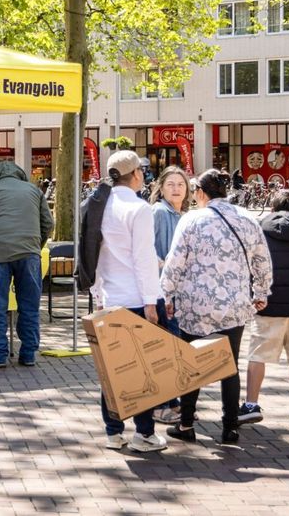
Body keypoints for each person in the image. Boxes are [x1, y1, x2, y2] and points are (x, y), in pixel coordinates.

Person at [161, 169, 272, 445]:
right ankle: (230, 427)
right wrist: (261, 292)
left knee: (191, 365)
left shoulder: (191, 220)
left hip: (195, 305)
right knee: (230, 365)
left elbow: (175, 262)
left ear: (200, 192)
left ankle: (186, 425)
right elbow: (262, 260)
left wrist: (166, 296)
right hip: (233, 305)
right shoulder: (247, 219)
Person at [90, 151, 167, 453]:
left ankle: (113, 432)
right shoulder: (138, 208)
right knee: (143, 369)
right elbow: (144, 258)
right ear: (135, 174)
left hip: (109, 297)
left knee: (113, 369)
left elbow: (93, 256)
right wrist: (151, 301)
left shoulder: (98, 207)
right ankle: (144, 433)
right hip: (137, 297)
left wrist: (97, 294)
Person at [238, 190, 289, 429]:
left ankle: (251, 404)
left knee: (257, 354)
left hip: (268, 302)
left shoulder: (260, 231)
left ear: (273, 208)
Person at [0, 161, 53, 368]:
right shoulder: (34, 191)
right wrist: (36, 244)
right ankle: (28, 353)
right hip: (30, 255)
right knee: (30, 306)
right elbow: (48, 224)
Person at [149, 166, 191, 425]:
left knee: (176, 349)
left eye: (181, 184)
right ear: (161, 188)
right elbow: (145, 248)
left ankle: (174, 402)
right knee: (166, 350)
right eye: (171, 184)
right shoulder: (159, 213)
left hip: (179, 293)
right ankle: (159, 405)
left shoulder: (182, 215)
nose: (176, 189)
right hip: (162, 292)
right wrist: (163, 264)